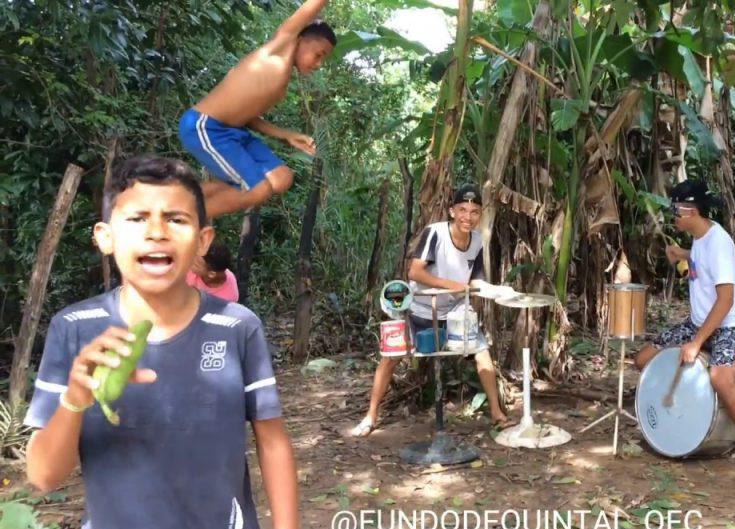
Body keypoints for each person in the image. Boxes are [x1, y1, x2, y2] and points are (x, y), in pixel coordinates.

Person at [24, 156, 301, 529]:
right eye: (136, 218)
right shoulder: (76, 331)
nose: (156, 232)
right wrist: (76, 398)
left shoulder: (236, 327)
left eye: (176, 218)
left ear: (203, 240)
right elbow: (44, 477)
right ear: (105, 237)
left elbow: (273, 442)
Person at [634, 180, 735, 486]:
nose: (673, 217)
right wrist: (681, 253)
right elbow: (700, 259)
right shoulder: (699, 237)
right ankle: (677, 421)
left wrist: (696, 343)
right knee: (644, 359)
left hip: (728, 323)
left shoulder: (719, 242)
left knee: (720, 378)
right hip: (699, 322)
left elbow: (726, 301)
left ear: (691, 211)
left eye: (676, 212)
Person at [351, 184, 516, 437]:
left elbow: (476, 281)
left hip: (455, 313)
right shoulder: (435, 233)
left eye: (474, 212)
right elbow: (415, 272)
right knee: (390, 357)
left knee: (482, 354)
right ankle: (371, 415)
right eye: (462, 210)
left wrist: (497, 290)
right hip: (421, 310)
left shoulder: (477, 241)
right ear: (452, 211)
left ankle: (496, 414)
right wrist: (452, 286)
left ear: (480, 214)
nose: (467, 217)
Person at [178, 0, 336, 219]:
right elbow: (312, 7)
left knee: (281, 177)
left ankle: (179, 201)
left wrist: (286, 135)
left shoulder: (280, 83)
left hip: (235, 132)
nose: (319, 63)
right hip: (205, 126)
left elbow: (248, 118)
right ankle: (181, 222)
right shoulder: (279, 48)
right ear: (299, 39)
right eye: (318, 54)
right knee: (257, 189)